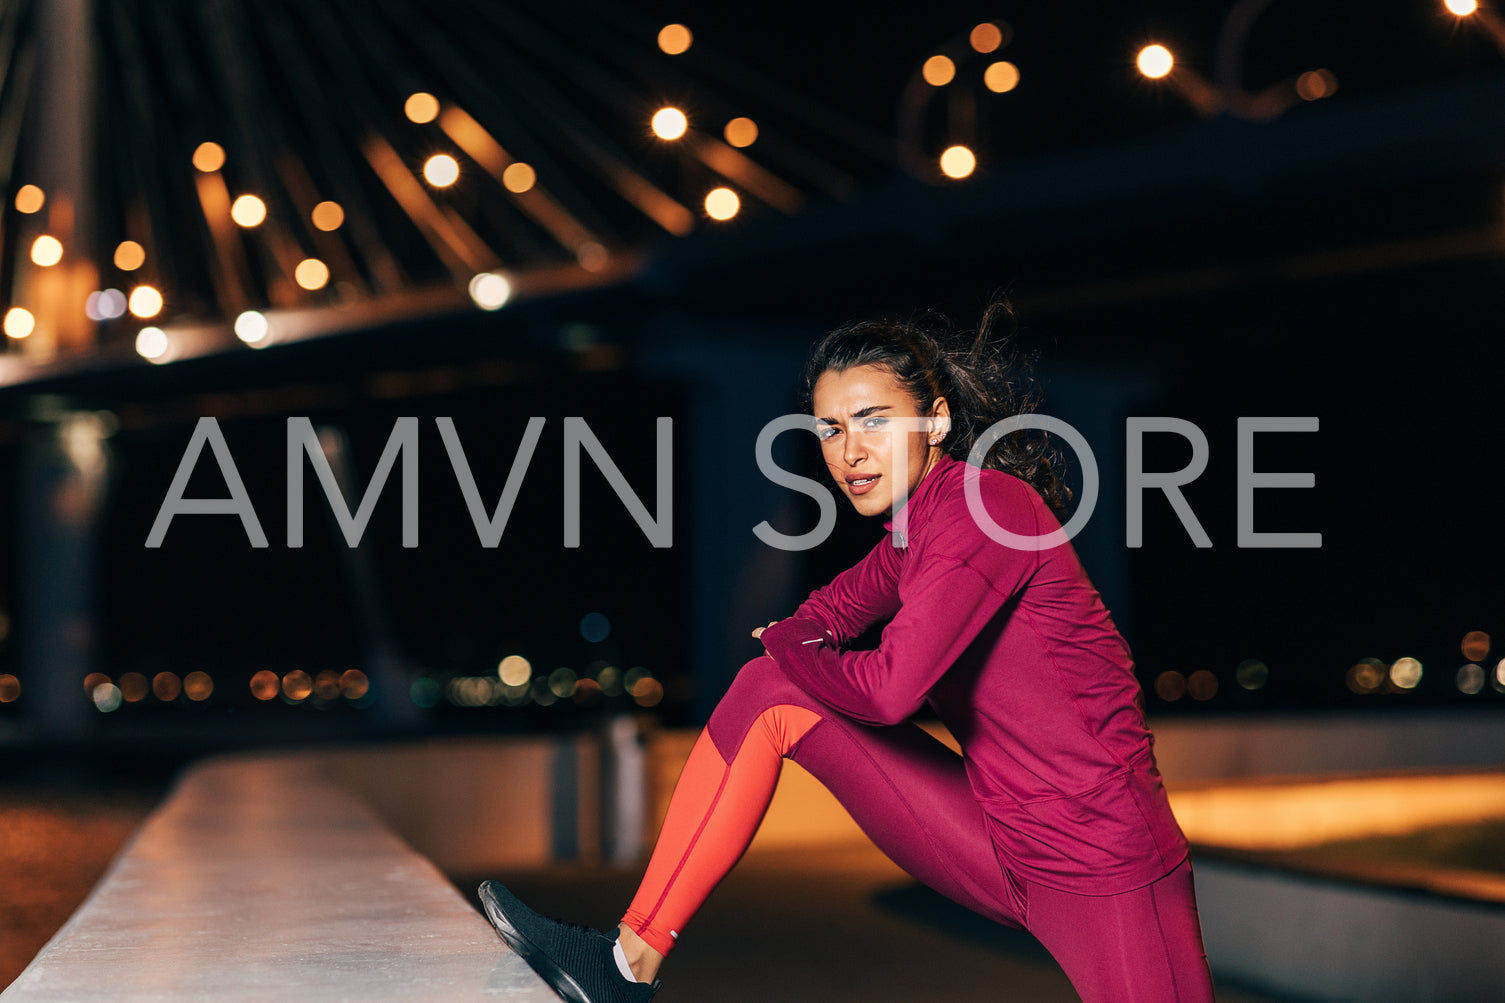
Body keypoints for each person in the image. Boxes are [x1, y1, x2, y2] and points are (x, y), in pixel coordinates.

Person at [479, 300, 1215, 1002]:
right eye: (829, 428)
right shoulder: (912, 531)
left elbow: (890, 690)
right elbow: (819, 615)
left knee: (779, 675)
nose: (849, 451)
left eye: (871, 420)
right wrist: (790, 648)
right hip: (998, 837)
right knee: (768, 691)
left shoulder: (985, 508)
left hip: (1105, 865)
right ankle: (625, 962)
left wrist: (790, 648)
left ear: (934, 419)